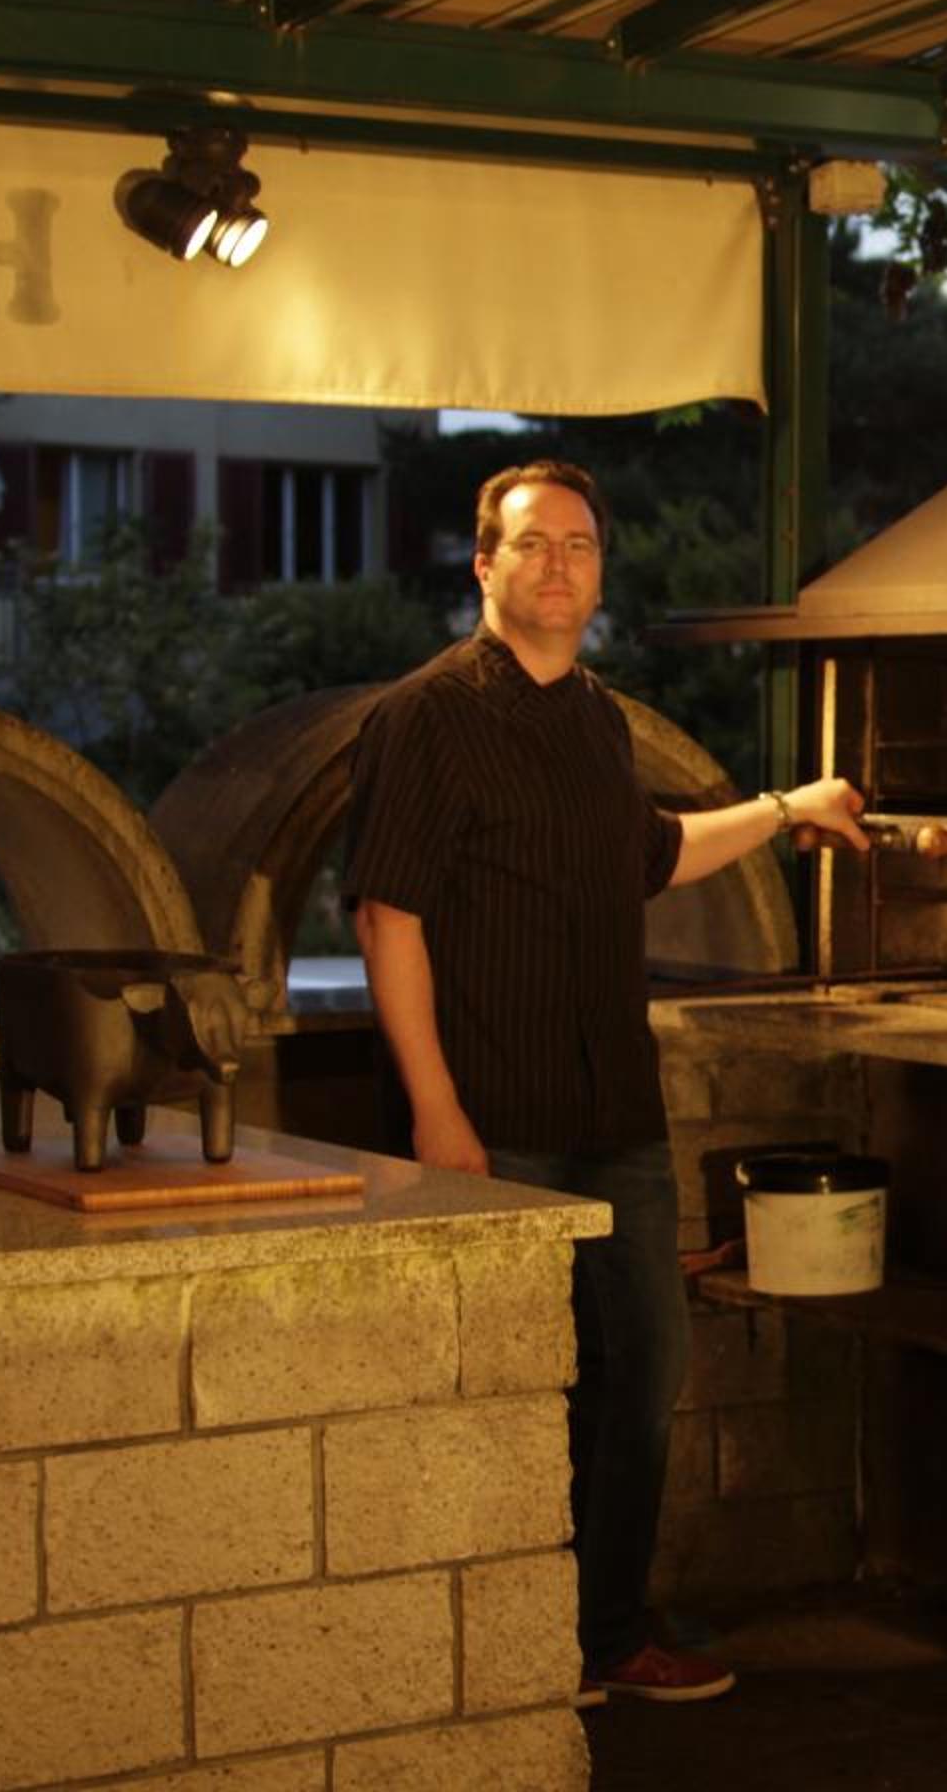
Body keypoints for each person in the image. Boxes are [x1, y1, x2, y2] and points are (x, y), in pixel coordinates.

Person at [343, 459, 867, 1705]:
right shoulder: (423, 717)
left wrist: (788, 807)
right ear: (485, 564)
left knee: (641, 1376)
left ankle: (604, 1638)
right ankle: (500, 1657)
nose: (559, 565)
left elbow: (654, 852)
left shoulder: (597, 720)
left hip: (617, 1118)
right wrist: (436, 1111)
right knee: (502, 1390)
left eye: (579, 545)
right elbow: (385, 914)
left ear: (599, 574)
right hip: (494, 1118)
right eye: (533, 543)